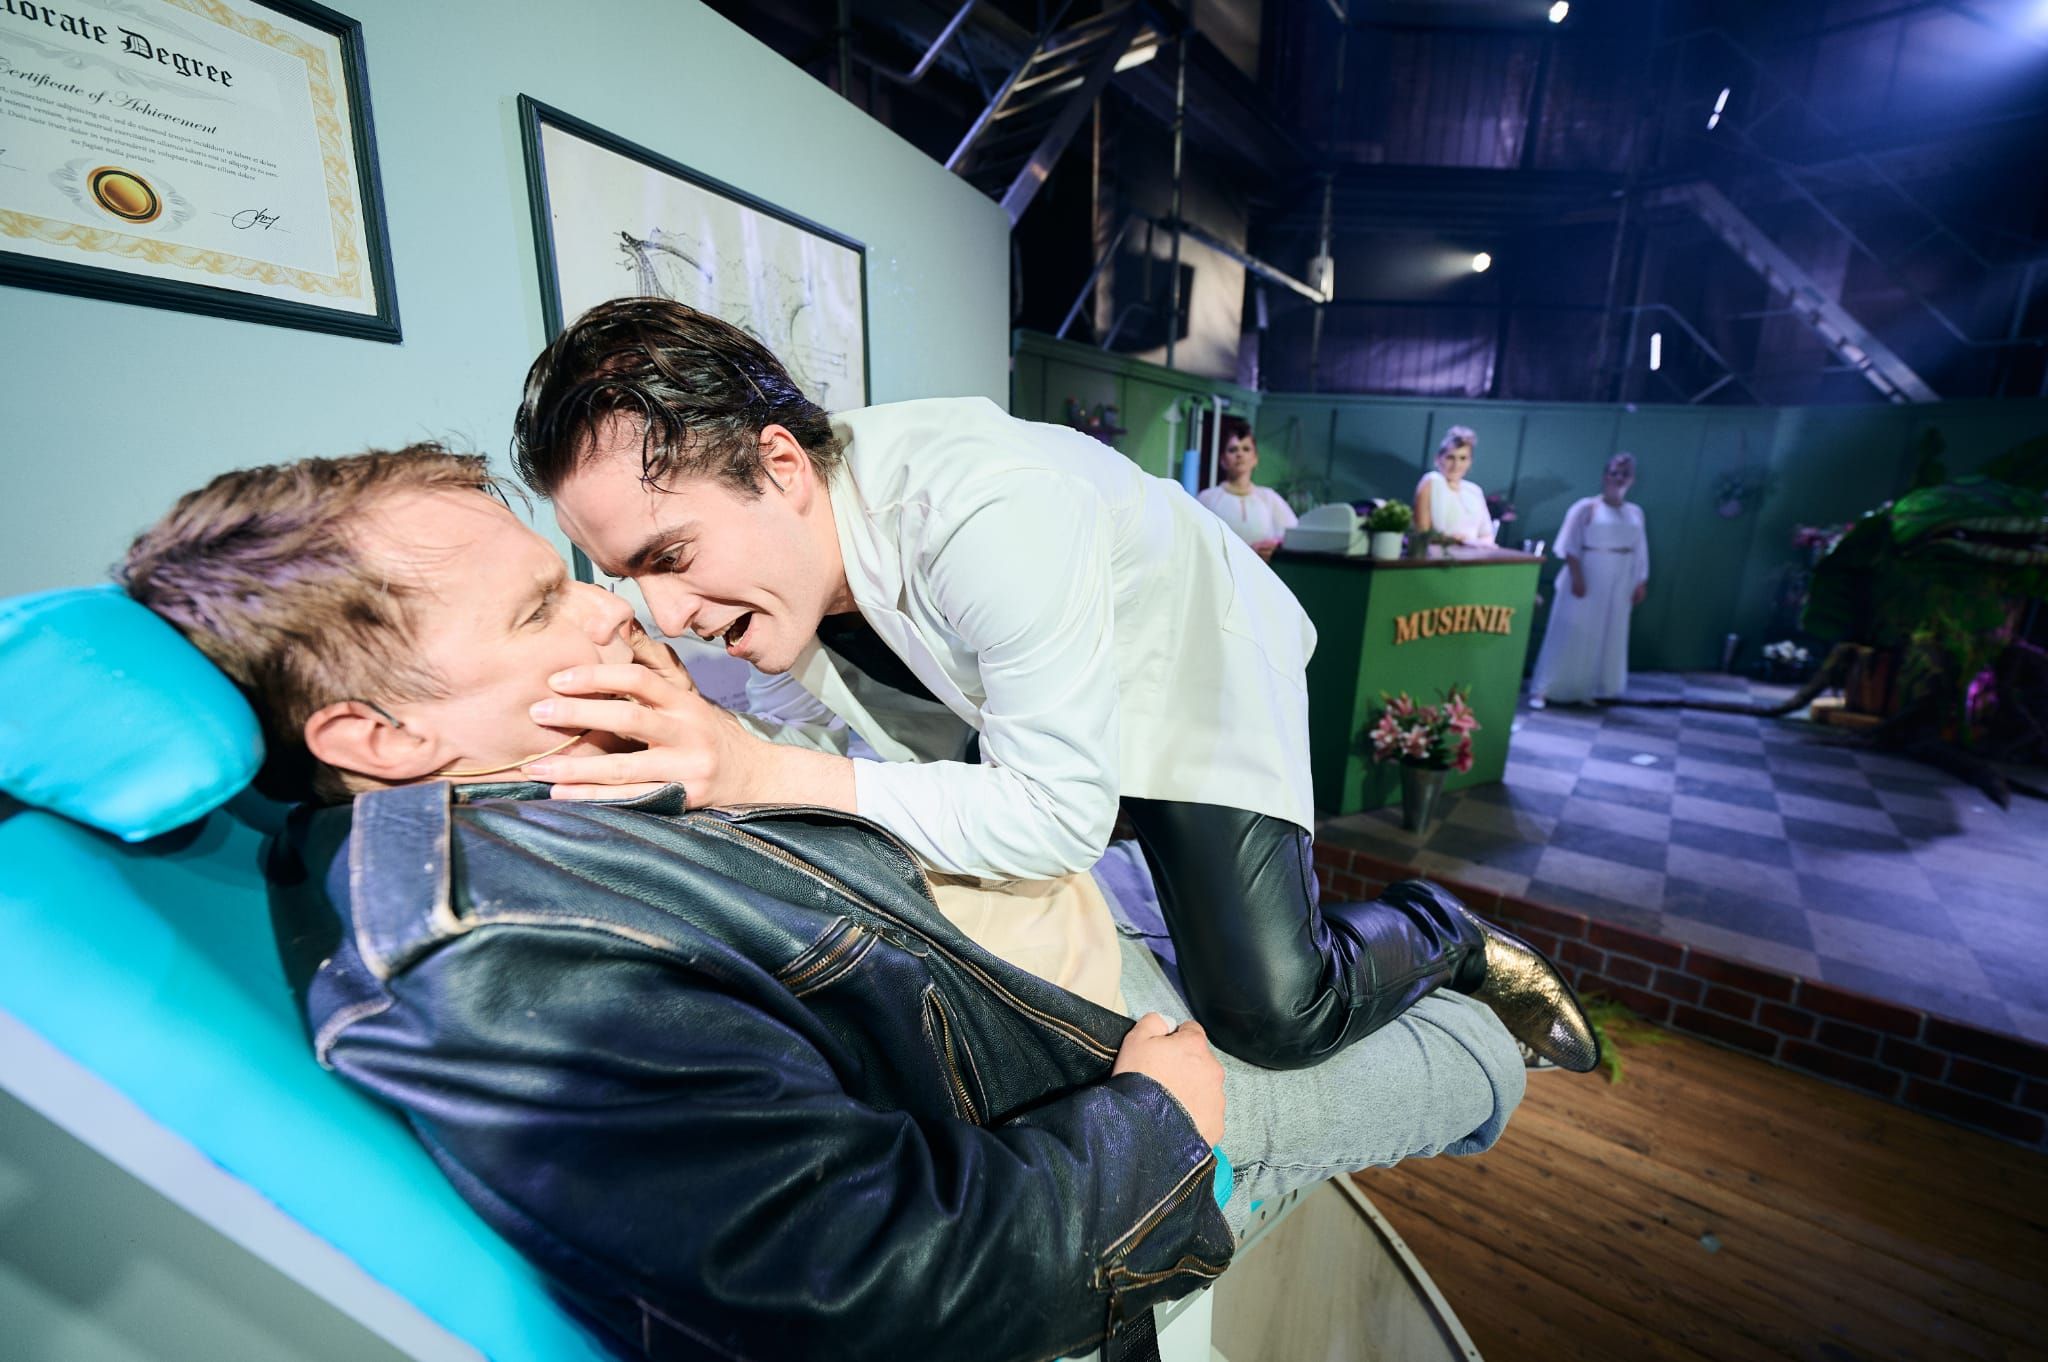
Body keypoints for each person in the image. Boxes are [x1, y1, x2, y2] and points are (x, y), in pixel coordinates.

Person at [119, 446, 1527, 1362]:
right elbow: (876, 1276)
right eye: (544, 606)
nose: (619, 611)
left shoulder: (544, 783)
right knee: (1476, 1063)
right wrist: (1157, 1126)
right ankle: (1461, 985)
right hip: (1075, 1147)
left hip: (1038, 1034)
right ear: (378, 737)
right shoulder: (497, 961)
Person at [511, 298, 1599, 1076]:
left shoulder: (987, 512)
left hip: (1193, 676)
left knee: (1272, 1016)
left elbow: (1055, 817)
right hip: (1037, 697)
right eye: (626, 579)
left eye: (668, 556)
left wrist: (755, 771)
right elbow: (815, 742)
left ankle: (1446, 930)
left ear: (781, 467)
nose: (668, 614)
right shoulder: (776, 579)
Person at [1528, 452, 1650, 708]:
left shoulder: (1635, 513)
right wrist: (1577, 577)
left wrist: (1640, 580)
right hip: (1588, 573)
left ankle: (1585, 688)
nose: (1619, 478)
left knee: (1604, 633)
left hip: (1620, 577)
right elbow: (1569, 545)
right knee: (1572, 629)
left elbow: (1640, 549)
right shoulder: (1586, 508)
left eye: (1625, 474)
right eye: (1614, 473)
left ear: (1632, 480)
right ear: (1605, 476)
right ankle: (1546, 688)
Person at [1196, 416, 1297, 560]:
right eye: (1233, 449)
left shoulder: (1269, 498)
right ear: (1223, 460)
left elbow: (1294, 534)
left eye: (1246, 449)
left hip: (1260, 571)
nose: (1240, 454)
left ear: (1255, 458)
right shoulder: (1207, 499)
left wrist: (1275, 545)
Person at [1412, 425, 1497, 548]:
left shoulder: (1475, 491)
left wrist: (1471, 543)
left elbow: (1487, 535)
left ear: (1470, 462)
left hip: (1473, 555)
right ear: (1438, 459)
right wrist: (1451, 540)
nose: (1456, 465)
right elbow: (1422, 532)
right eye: (1450, 457)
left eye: (1463, 458)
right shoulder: (1431, 482)